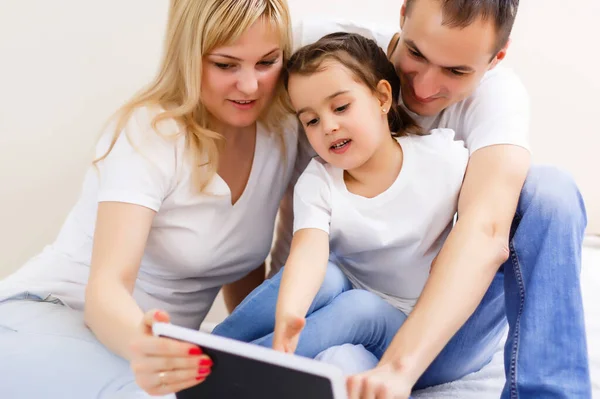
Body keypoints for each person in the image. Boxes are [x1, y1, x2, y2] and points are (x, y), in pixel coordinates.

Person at [268, 0, 591, 398]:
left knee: (550, 192)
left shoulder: (496, 100)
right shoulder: (323, 51)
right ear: (402, 15)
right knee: (341, 328)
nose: (421, 87)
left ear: (496, 58)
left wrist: (400, 368)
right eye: (416, 53)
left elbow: (486, 228)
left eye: (456, 71)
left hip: (447, 335)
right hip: (346, 315)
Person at [0, 0, 297, 397]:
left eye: (267, 62)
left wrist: (259, 351)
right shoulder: (153, 132)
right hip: (53, 313)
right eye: (226, 65)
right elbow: (105, 288)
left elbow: (237, 259)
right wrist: (146, 349)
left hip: (153, 347)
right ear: (188, 56)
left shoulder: (285, 132)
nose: (249, 85)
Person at [213, 31, 469, 372]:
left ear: (381, 98)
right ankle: (211, 349)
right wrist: (290, 314)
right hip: (348, 318)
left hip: (412, 331)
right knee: (329, 279)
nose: (329, 126)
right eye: (312, 120)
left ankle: (228, 371)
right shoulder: (318, 181)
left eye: (341, 107)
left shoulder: (442, 159)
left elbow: (495, 212)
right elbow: (308, 253)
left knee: (360, 307)